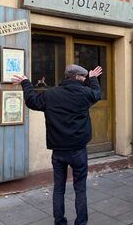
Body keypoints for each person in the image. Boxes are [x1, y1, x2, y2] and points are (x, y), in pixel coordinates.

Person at [12, 64, 102, 225]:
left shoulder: (51, 94)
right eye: (83, 78)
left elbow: (32, 101)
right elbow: (96, 94)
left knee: (59, 188)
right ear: (76, 77)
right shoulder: (85, 93)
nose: (84, 80)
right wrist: (94, 78)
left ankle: (59, 222)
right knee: (80, 188)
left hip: (59, 151)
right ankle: (81, 222)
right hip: (79, 151)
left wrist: (26, 82)